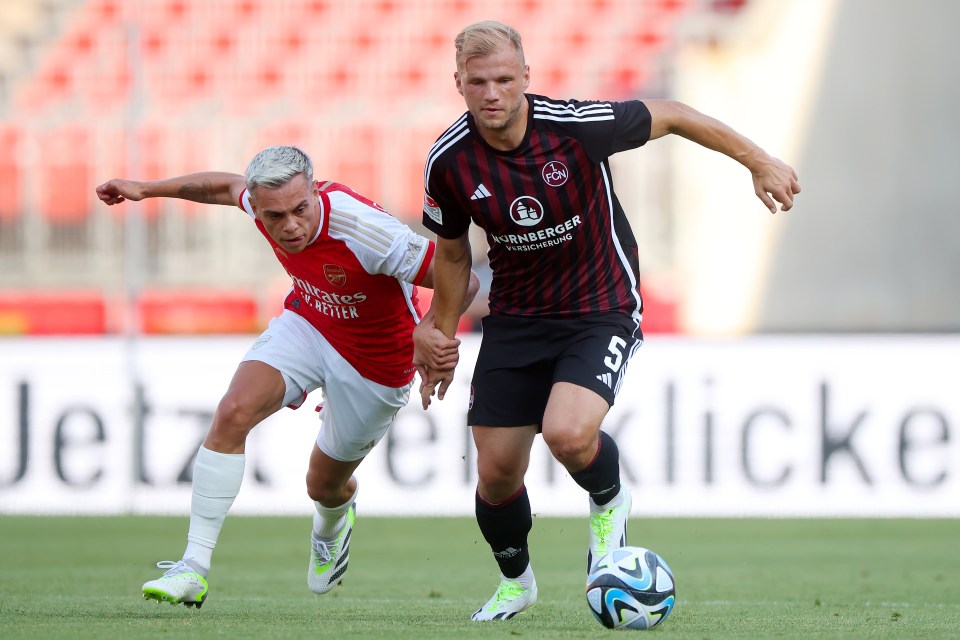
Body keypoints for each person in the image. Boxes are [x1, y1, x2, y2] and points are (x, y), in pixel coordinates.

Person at [413, 21, 801, 622]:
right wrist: (439, 334)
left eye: (505, 80)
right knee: (494, 473)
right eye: (479, 81)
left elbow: (671, 112)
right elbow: (454, 252)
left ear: (526, 78)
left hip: (600, 306)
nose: (492, 93)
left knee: (568, 433)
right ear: (458, 82)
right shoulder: (449, 160)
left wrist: (759, 161)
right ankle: (517, 584)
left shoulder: (576, 129)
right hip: (516, 318)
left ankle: (608, 500)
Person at [96, 145, 478, 608]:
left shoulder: (364, 230)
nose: (291, 225)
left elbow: (465, 280)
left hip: (378, 361)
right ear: (257, 208)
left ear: (315, 192)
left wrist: (432, 329)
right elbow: (221, 186)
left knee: (323, 485)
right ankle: (192, 567)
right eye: (275, 216)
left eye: (301, 209)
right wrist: (145, 190)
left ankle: (332, 526)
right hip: (309, 324)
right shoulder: (259, 204)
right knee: (232, 412)